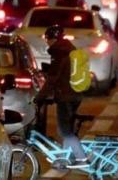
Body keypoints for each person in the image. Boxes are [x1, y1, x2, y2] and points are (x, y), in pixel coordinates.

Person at [35, 24, 89, 168]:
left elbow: (53, 78)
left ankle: (81, 158)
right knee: (67, 128)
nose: (46, 41)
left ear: (52, 39)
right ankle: (64, 160)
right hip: (76, 93)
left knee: (64, 130)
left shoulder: (59, 52)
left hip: (66, 96)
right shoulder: (69, 48)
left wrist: (40, 96)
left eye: (47, 38)